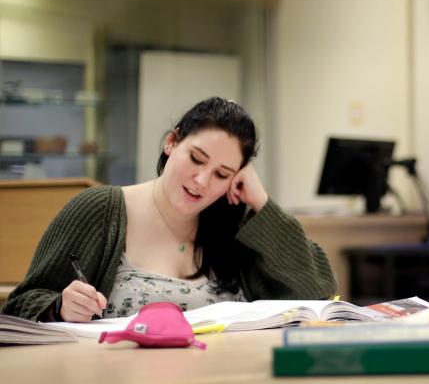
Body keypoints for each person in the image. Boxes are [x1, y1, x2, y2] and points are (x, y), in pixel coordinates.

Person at [2, 97, 337, 322]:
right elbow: (19, 306)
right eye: (196, 158)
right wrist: (59, 306)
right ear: (172, 142)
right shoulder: (101, 209)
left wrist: (262, 204)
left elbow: (318, 295)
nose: (203, 181)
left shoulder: (235, 223)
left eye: (222, 174)